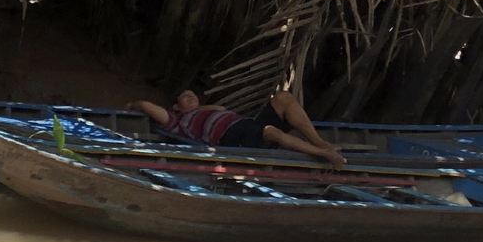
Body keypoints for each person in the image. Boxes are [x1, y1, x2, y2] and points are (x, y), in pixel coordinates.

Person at [130, 89, 348, 167]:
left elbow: (219, 108)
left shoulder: (210, 108)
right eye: (185, 96)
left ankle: (318, 141)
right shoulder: (177, 121)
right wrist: (132, 105)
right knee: (271, 131)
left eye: (192, 93)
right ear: (176, 107)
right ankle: (324, 153)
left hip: (245, 124)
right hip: (230, 137)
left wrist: (203, 107)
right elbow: (148, 106)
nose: (191, 95)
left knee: (283, 97)